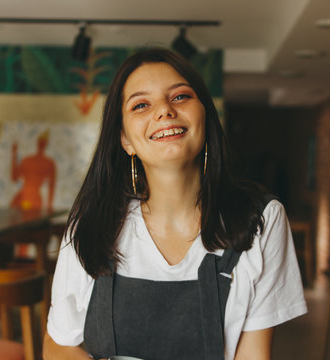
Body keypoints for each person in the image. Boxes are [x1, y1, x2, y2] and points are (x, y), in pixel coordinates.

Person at [43, 48, 307, 360]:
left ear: (204, 116)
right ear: (125, 139)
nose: (164, 111)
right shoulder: (91, 225)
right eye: (141, 105)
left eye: (180, 97)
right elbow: (58, 345)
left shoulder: (260, 221)